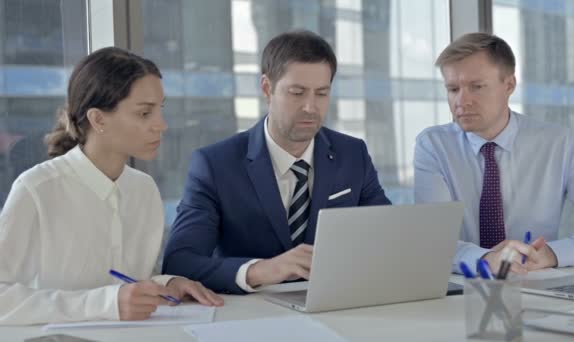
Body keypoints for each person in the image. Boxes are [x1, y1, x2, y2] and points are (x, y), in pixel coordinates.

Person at [0, 47, 223, 325]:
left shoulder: (144, 189)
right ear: (99, 119)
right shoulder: (38, 189)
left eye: (160, 109)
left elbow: (129, 278)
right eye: (144, 113)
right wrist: (106, 303)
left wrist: (166, 284)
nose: (161, 125)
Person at [163, 30, 391, 294]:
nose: (310, 107)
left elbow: (388, 236)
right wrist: (262, 270)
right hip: (252, 319)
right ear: (267, 89)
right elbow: (180, 262)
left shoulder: (353, 154)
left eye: (321, 93)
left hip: (336, 307)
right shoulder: (215, 165)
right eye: (297, 93)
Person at [414, 32, 574, 275]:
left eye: (477, 87)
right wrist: (487, 259)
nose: (462, 101)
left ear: (509, 85)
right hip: (461, 288)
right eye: (453, 89)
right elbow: (432, 243)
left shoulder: (558, 144)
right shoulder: (433, 146)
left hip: (537, 287)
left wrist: (554, 254)